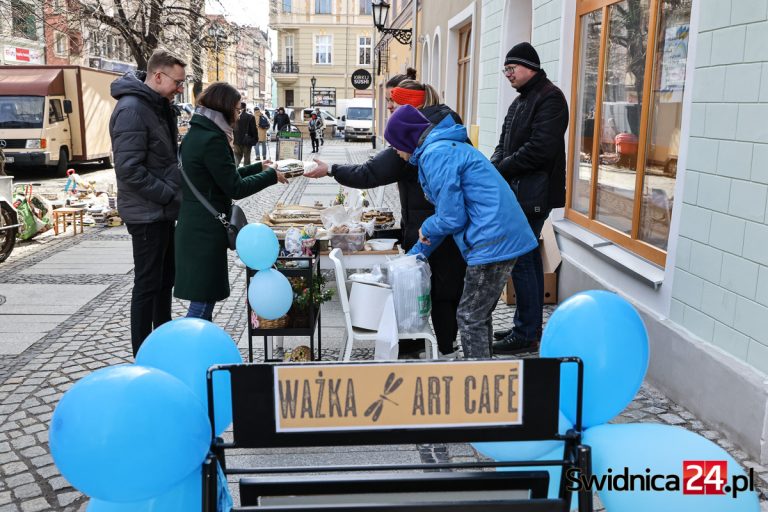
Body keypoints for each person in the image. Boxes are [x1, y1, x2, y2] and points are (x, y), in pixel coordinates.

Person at [305, 71, 468, 358]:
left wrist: (330, 169)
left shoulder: (415, 137)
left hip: (431, 229)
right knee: (443, 293)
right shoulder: (446, 126)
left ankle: (430, 352)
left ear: (410, 108)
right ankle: (440, 349)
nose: (390, 110)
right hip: (443, 228)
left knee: (424, 291)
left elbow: (370, 173)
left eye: (394, 105)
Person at [385, 105, 537, 359]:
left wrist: (426, 227)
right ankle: (485, 373)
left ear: (405, 138)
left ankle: (477, 382)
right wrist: (415, 254)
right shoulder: (440, 148)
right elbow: (449, 214)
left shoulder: (436, 155)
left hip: (492, 238)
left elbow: (451, 218)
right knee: (478, 314)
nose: (395, 151)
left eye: (394, 144)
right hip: (497, 233)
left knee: (469, 315)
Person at [175, 82, 288, 321]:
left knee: (204, 298)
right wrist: (270, 176)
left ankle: (196, 347)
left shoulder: (199, 132)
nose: (238, 115)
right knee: (202, 303)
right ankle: (188, 349)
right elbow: (234, 187)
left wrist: (259, 166)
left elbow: (224, 176)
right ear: (224, 108)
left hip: (196, 225)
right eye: (236, 109)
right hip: (204, 230)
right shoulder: (212, 139)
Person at [489, 42, 569, 355]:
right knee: (528, 260)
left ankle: (526, 334)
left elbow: (539, 149)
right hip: (518, 191)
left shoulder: (550, 98)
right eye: (505, 70)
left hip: (534, 194)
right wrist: (493, 166)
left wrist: (502, 169)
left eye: (512, 68)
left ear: (529, 67)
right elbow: (503, 141)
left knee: (521, 260)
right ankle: (527, 327)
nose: (507, 74)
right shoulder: (521, 101)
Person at [109, 48, 186, 357]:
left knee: (165, 279)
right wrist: (168, 193)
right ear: (158, 76)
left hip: (162, 211)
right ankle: (142, 352)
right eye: (177, 82)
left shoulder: (157, 106)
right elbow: (128, 169)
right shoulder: (132, 109)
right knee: (147, 284)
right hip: (147, 213)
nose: (180, 89)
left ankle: (163, 343)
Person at [233, 102, 257, 166]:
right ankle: (246, 173)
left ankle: (234, 170)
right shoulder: (250, 117)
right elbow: (254, 130)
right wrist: (255, 139)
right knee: (247, 158)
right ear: (245, 107)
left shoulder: (234, 116)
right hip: (247, 141)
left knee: (237, 156)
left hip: (236, 140)